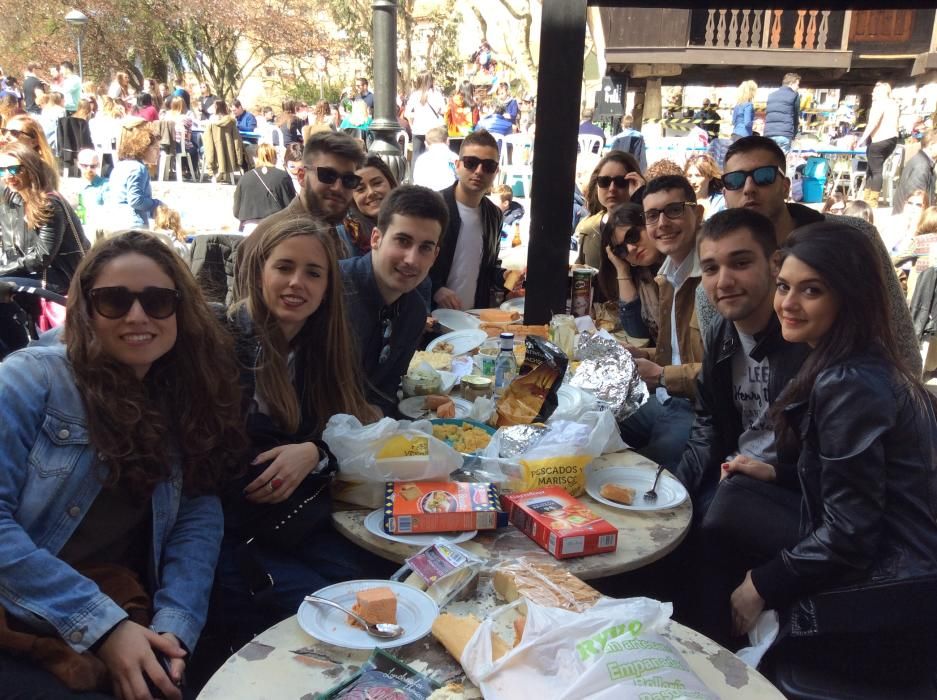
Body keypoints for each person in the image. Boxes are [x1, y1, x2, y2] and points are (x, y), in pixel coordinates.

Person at [0, 231, 244, 698]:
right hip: (26, 610)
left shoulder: (181, 393)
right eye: (113, 301)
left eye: (157, 301)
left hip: (119, 601)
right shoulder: (30, 380)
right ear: (87, 310)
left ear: (180, 310)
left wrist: (175, 627)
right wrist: (104, 627)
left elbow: (196, 515)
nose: (137, 316)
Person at [728, 222, 937, 683]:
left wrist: (761, 584)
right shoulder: (855, 361)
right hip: (904, 565)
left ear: (849, 297)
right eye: (784, 286)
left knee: (724, 519)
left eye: (812, 291)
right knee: (733, 499)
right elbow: (862, 485)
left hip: (899, 594)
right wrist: (776, 473)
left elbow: (851, 533)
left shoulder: (848, 381)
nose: (787, 303)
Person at [216, 215, 388, 650]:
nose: (298, 283)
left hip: (292, 526)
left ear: (328, 286)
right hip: (232, 540)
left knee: (382, 588)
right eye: (284, 267)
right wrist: (314, 454)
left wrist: (314, 452)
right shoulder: (225, 343)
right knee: (344, 619)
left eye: (313, 273)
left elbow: (349, 428)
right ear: (259, 271)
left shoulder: (318, 350)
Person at [700, 135, 920, 376]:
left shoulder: (853, 236)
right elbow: (718, 376)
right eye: (735, 181)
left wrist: (903, 395)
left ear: (785, 185)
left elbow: (896, 329)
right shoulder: (711, 287)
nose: (749, 188)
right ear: (725, 193)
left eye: (764, 176)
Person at [618, 175, 704, 467]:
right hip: (665, 398)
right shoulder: (667, 274)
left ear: (699, 213)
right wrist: (643, 355)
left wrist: (662, 376)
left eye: (674, 210)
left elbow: (725, 373)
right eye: (653, 215)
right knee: (593, 427)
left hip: (697, 409)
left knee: (634, 472)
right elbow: (678, 353)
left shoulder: (714, 278)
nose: (663, 223)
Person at [341, 185, 447, 414]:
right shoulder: (332, 290)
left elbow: (385, 391)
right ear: (376, 239)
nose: (411, 259)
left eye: (425, 248)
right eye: (402, 241)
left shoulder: (415, 312)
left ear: (435, 255)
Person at [234, 132, 366, 297]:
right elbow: (248, 316)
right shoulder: (267, 238)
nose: (338, 188)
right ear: (302, 176)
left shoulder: (337, 235)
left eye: (349, 180)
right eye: (327, 176)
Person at [429, 129, 503, 310]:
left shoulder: (494, 215)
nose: (479, 171)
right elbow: (409, 262)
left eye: (488, 166)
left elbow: (489, 266)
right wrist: (435, 289)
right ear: (458, 165)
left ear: (496, 172)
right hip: (432, 320)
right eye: (471, 163)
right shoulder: (432, 206)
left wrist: (507, 276)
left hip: (472, 323)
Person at [0, 143, 88, 295]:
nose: (8, 176)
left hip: (59, 278)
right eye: (2, 171)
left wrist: (3, 269)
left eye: (14, 169)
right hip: (32, 273)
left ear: (31, 169)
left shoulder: (49, 204)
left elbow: (41, 258)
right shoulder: (14, 199)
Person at [574, 150, 645, 276]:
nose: (612, 188)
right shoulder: (586, 227)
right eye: (604, 181)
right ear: (597, 185)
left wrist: (641, 196)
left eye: (621, 181)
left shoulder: (648, 224)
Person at [598, 203, 663, 340]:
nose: (631, 248)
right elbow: (637, 332)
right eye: (621, 249)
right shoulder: (642, 276)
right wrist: (622, 270)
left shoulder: (678, 264)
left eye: (632, 236)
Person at [106, 121, 161, 229]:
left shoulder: (120, 166)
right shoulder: (138, 168)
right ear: (144, 148)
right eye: (156, 148)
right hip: (132, 224)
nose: (158, 153)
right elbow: (136, 200)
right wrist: (157, 204)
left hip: (114, 221)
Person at [232, 143, 296, 235]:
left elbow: (236, 210)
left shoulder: (245, 177)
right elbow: (291, 206)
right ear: (274, 157)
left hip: (250, 228)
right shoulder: (283, 176)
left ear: (257, 157)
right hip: (276, 227)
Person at [856, 82, 900, 209]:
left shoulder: (879, 103)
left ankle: (872, 202)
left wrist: (861, 139)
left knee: (875, 170)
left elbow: (873, 123)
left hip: (879, 139)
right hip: (892, 139)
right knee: (872, 168)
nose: (872, 93)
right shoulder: (894, 104)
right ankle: (868, 198)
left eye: (875, 91)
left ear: (881, 92)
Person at [347, 154, 399, 255]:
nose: (371, 192)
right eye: (360, 189)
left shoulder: (414, 220)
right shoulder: (345, 237)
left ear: (391, 183)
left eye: (377, 183)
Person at [1, 113, 59, 189]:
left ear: (34, 141)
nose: (6, 137)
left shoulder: (40, 170)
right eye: (5, 131)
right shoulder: (4, 162)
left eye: (14, 133)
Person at [893, 127, 937, 215]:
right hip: (909, 221)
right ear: (931, 145)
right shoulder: (921, 166)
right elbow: (916, 201)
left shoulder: (923, 162)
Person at [405, 72, 445, 164]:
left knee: (416, 157)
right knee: (433, 158)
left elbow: (407, 113)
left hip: (418, 130)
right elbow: (443, 110)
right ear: (430, 80)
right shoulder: (436, 94)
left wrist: (412, 125)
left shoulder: (414, 95)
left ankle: (413, 178)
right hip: (433, 131)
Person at [762, 73, 800, 155]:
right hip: (784, 133)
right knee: (781, 162)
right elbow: (796, 116)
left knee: (770, 160)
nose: (798, 87)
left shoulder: (771, 95)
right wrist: (795, 134)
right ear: (791, 83)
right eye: (797, 84)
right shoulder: (794, 95)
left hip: (769, 134)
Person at [411, 125, 457, 191]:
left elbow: (417, 181)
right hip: (448, 195)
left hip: (425, 195)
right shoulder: (453, 157)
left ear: (426, 144)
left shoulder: (421, 159)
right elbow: (459, 176)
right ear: (448, 141)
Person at [683, 153, 725, 220]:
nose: (693, 181)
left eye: (698, 176)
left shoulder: (721, 202)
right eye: (689, 176)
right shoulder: (681, 201)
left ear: (710, 177)